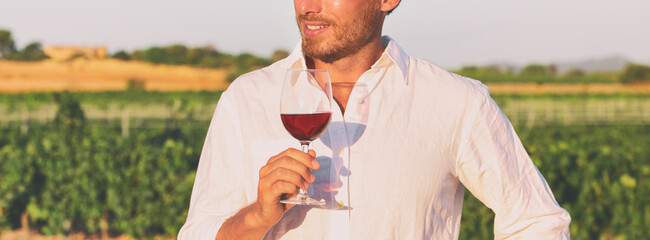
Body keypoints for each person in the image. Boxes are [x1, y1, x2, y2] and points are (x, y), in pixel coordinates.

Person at [178, 0, 571, 239]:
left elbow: (536, 221)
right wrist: (256, 217)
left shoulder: (458, 101)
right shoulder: (246, 99)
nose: (307, 7)